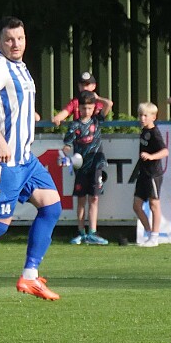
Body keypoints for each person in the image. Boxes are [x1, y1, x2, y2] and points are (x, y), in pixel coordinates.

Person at [0, 16, 63, 301]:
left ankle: (29, 276)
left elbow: (12, 103)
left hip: (25, 160)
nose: (16, 44)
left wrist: (29, 115)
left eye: (20, 38)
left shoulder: (20, 66)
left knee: (51, 208)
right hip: (2, 161)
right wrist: (1, 140)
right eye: (9, 39)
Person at [62, 89, 112, 245]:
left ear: (94, 107)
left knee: (94, 198)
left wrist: (98, 97)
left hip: (96, 165)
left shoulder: (96, 121)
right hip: (81, 167)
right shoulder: (74, 125)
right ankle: (81, 232)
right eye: (84, 108)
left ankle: (93, 232)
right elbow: (67, 144)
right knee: (81, 200)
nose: (87, 111)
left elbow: (109, 104)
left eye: (90, 108)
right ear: (79, 108)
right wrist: (65, 154)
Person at [133, 102, 169, 247]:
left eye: (145, 116)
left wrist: (151, 156)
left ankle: (155, 237)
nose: (142, 118)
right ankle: (148, 234)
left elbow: (165, 151)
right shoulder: (144, 131)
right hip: (143, 173)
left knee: (154, 204)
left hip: (153, 174)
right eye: (140, 115)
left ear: (153, 117)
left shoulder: (155, 133)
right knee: (136, 206)